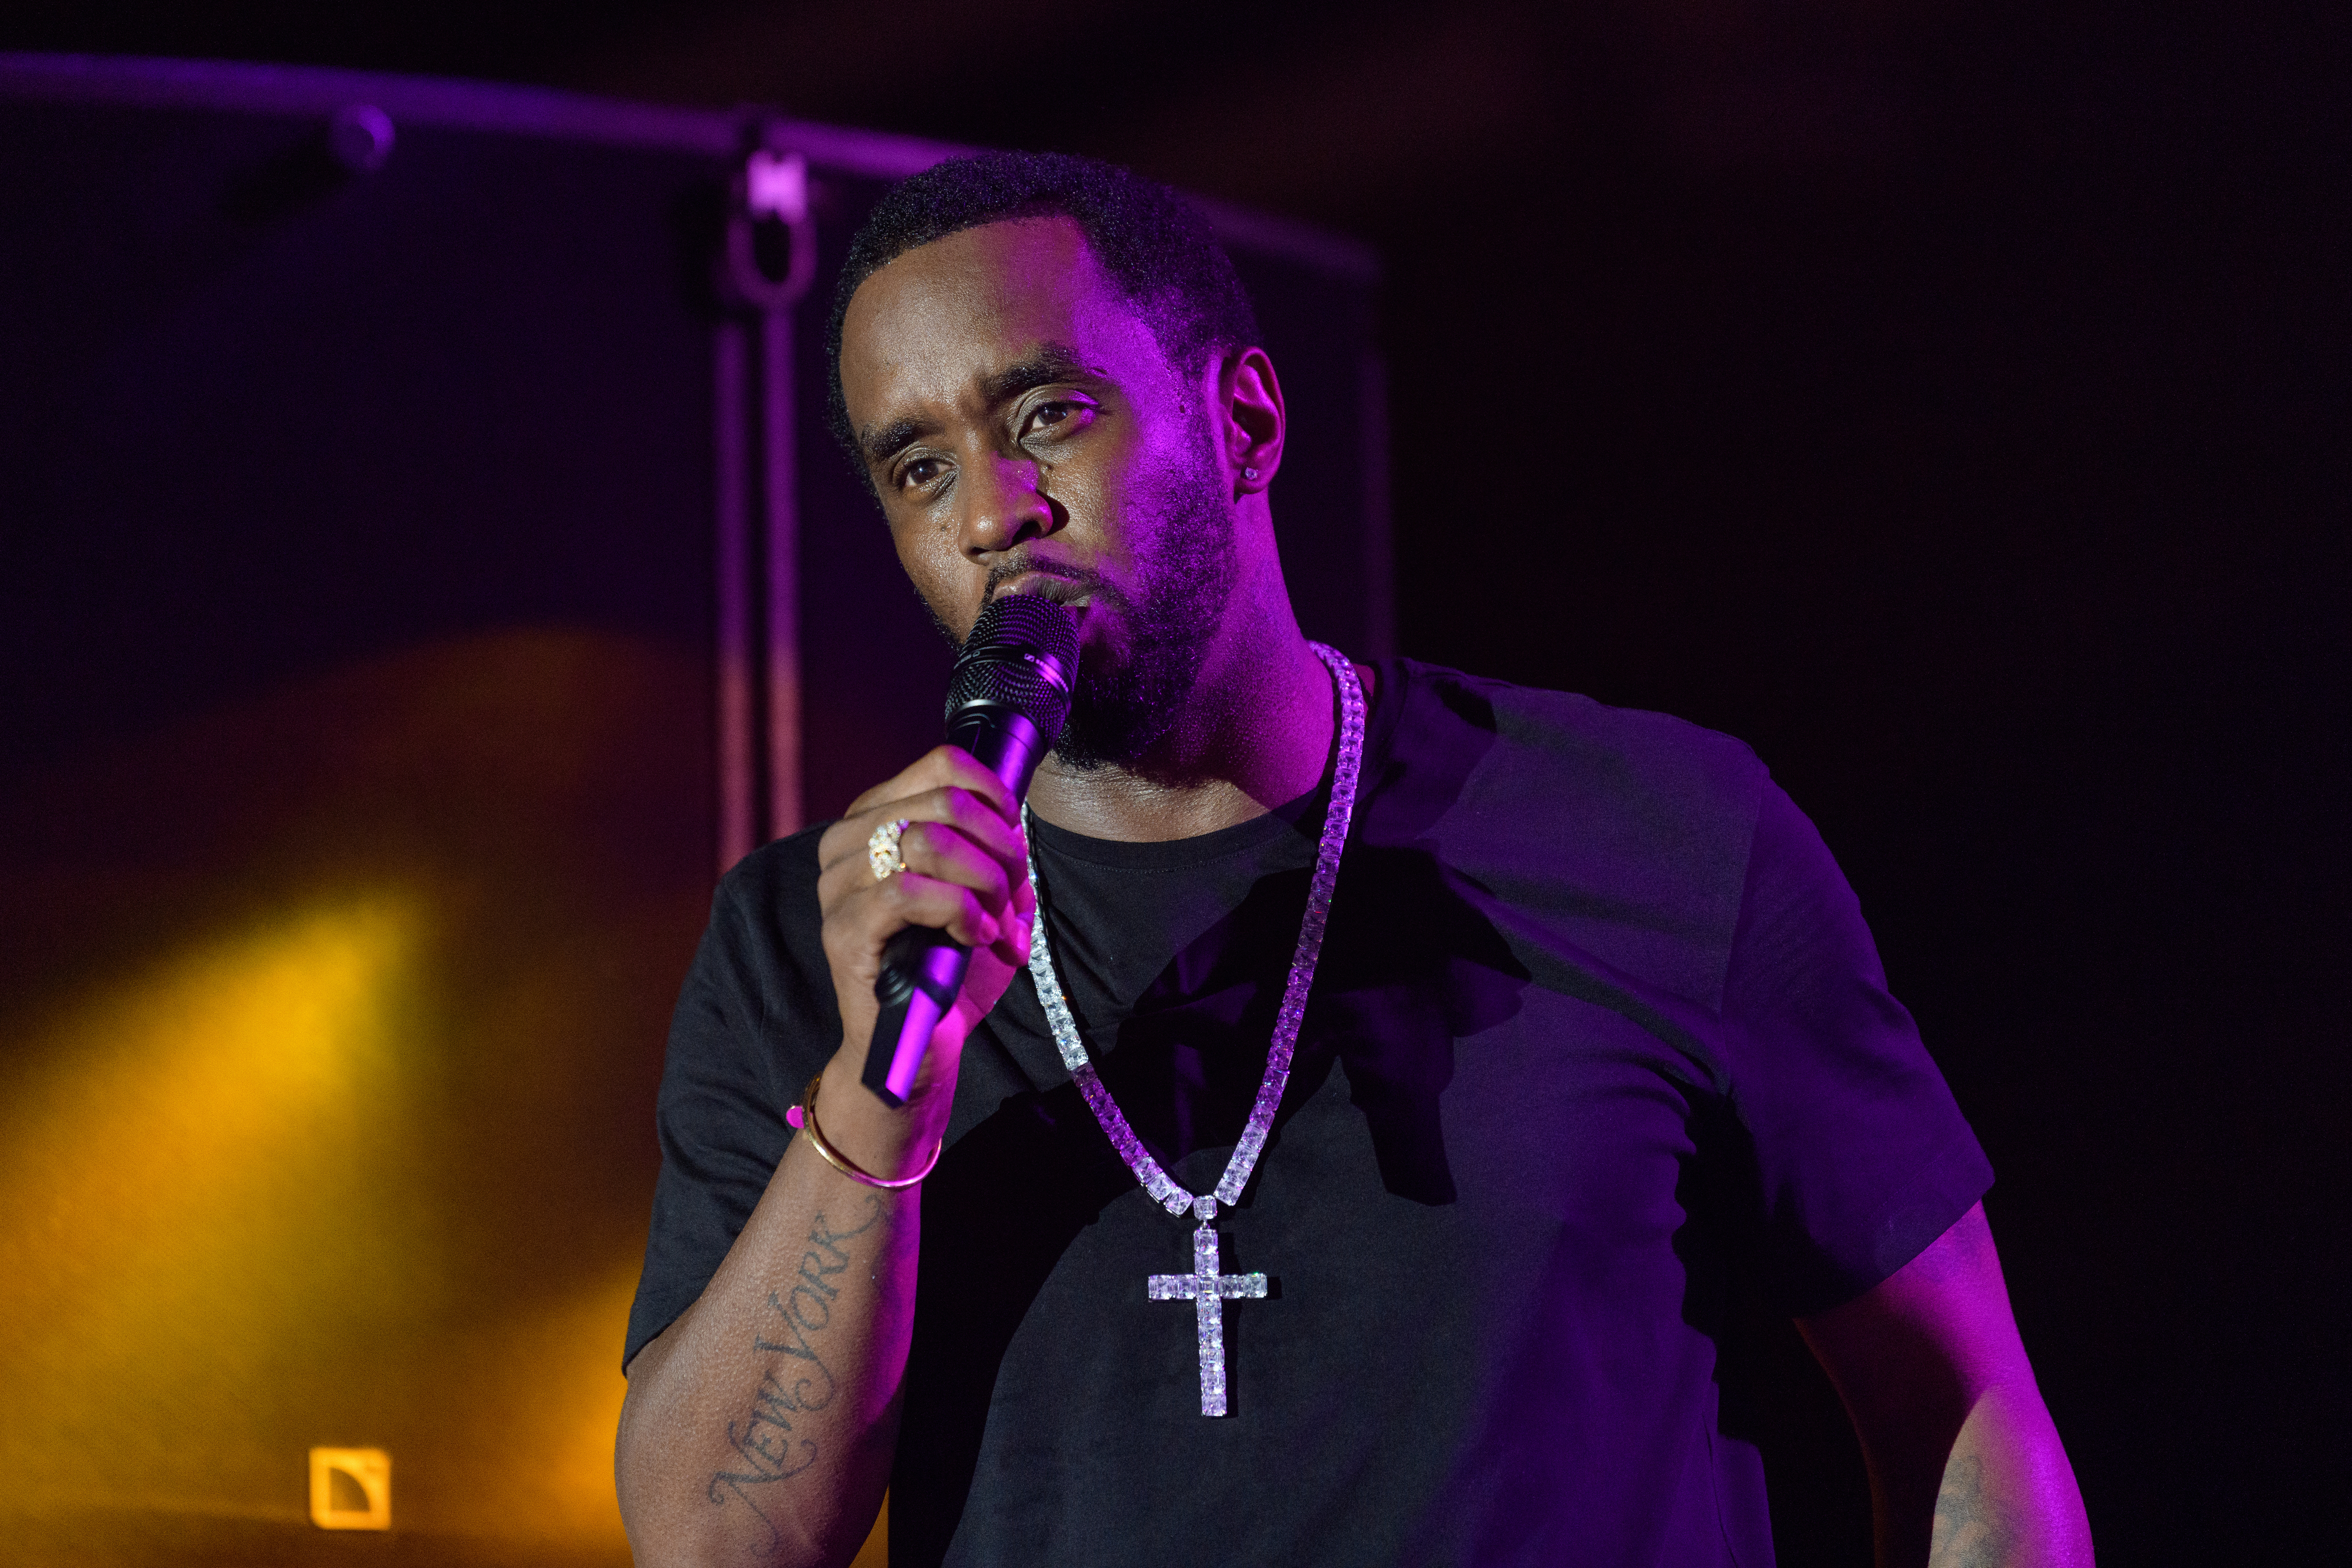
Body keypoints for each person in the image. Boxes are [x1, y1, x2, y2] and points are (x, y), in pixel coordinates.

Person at [613, 151, 2092, 1568]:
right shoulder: (816, 940)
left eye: (1051, 414)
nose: (993, 514)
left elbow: (1963, 1417)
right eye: (920, 468)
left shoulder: (1656, 833)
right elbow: (712, 1537)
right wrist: (880, 1100)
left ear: (1243, 423)